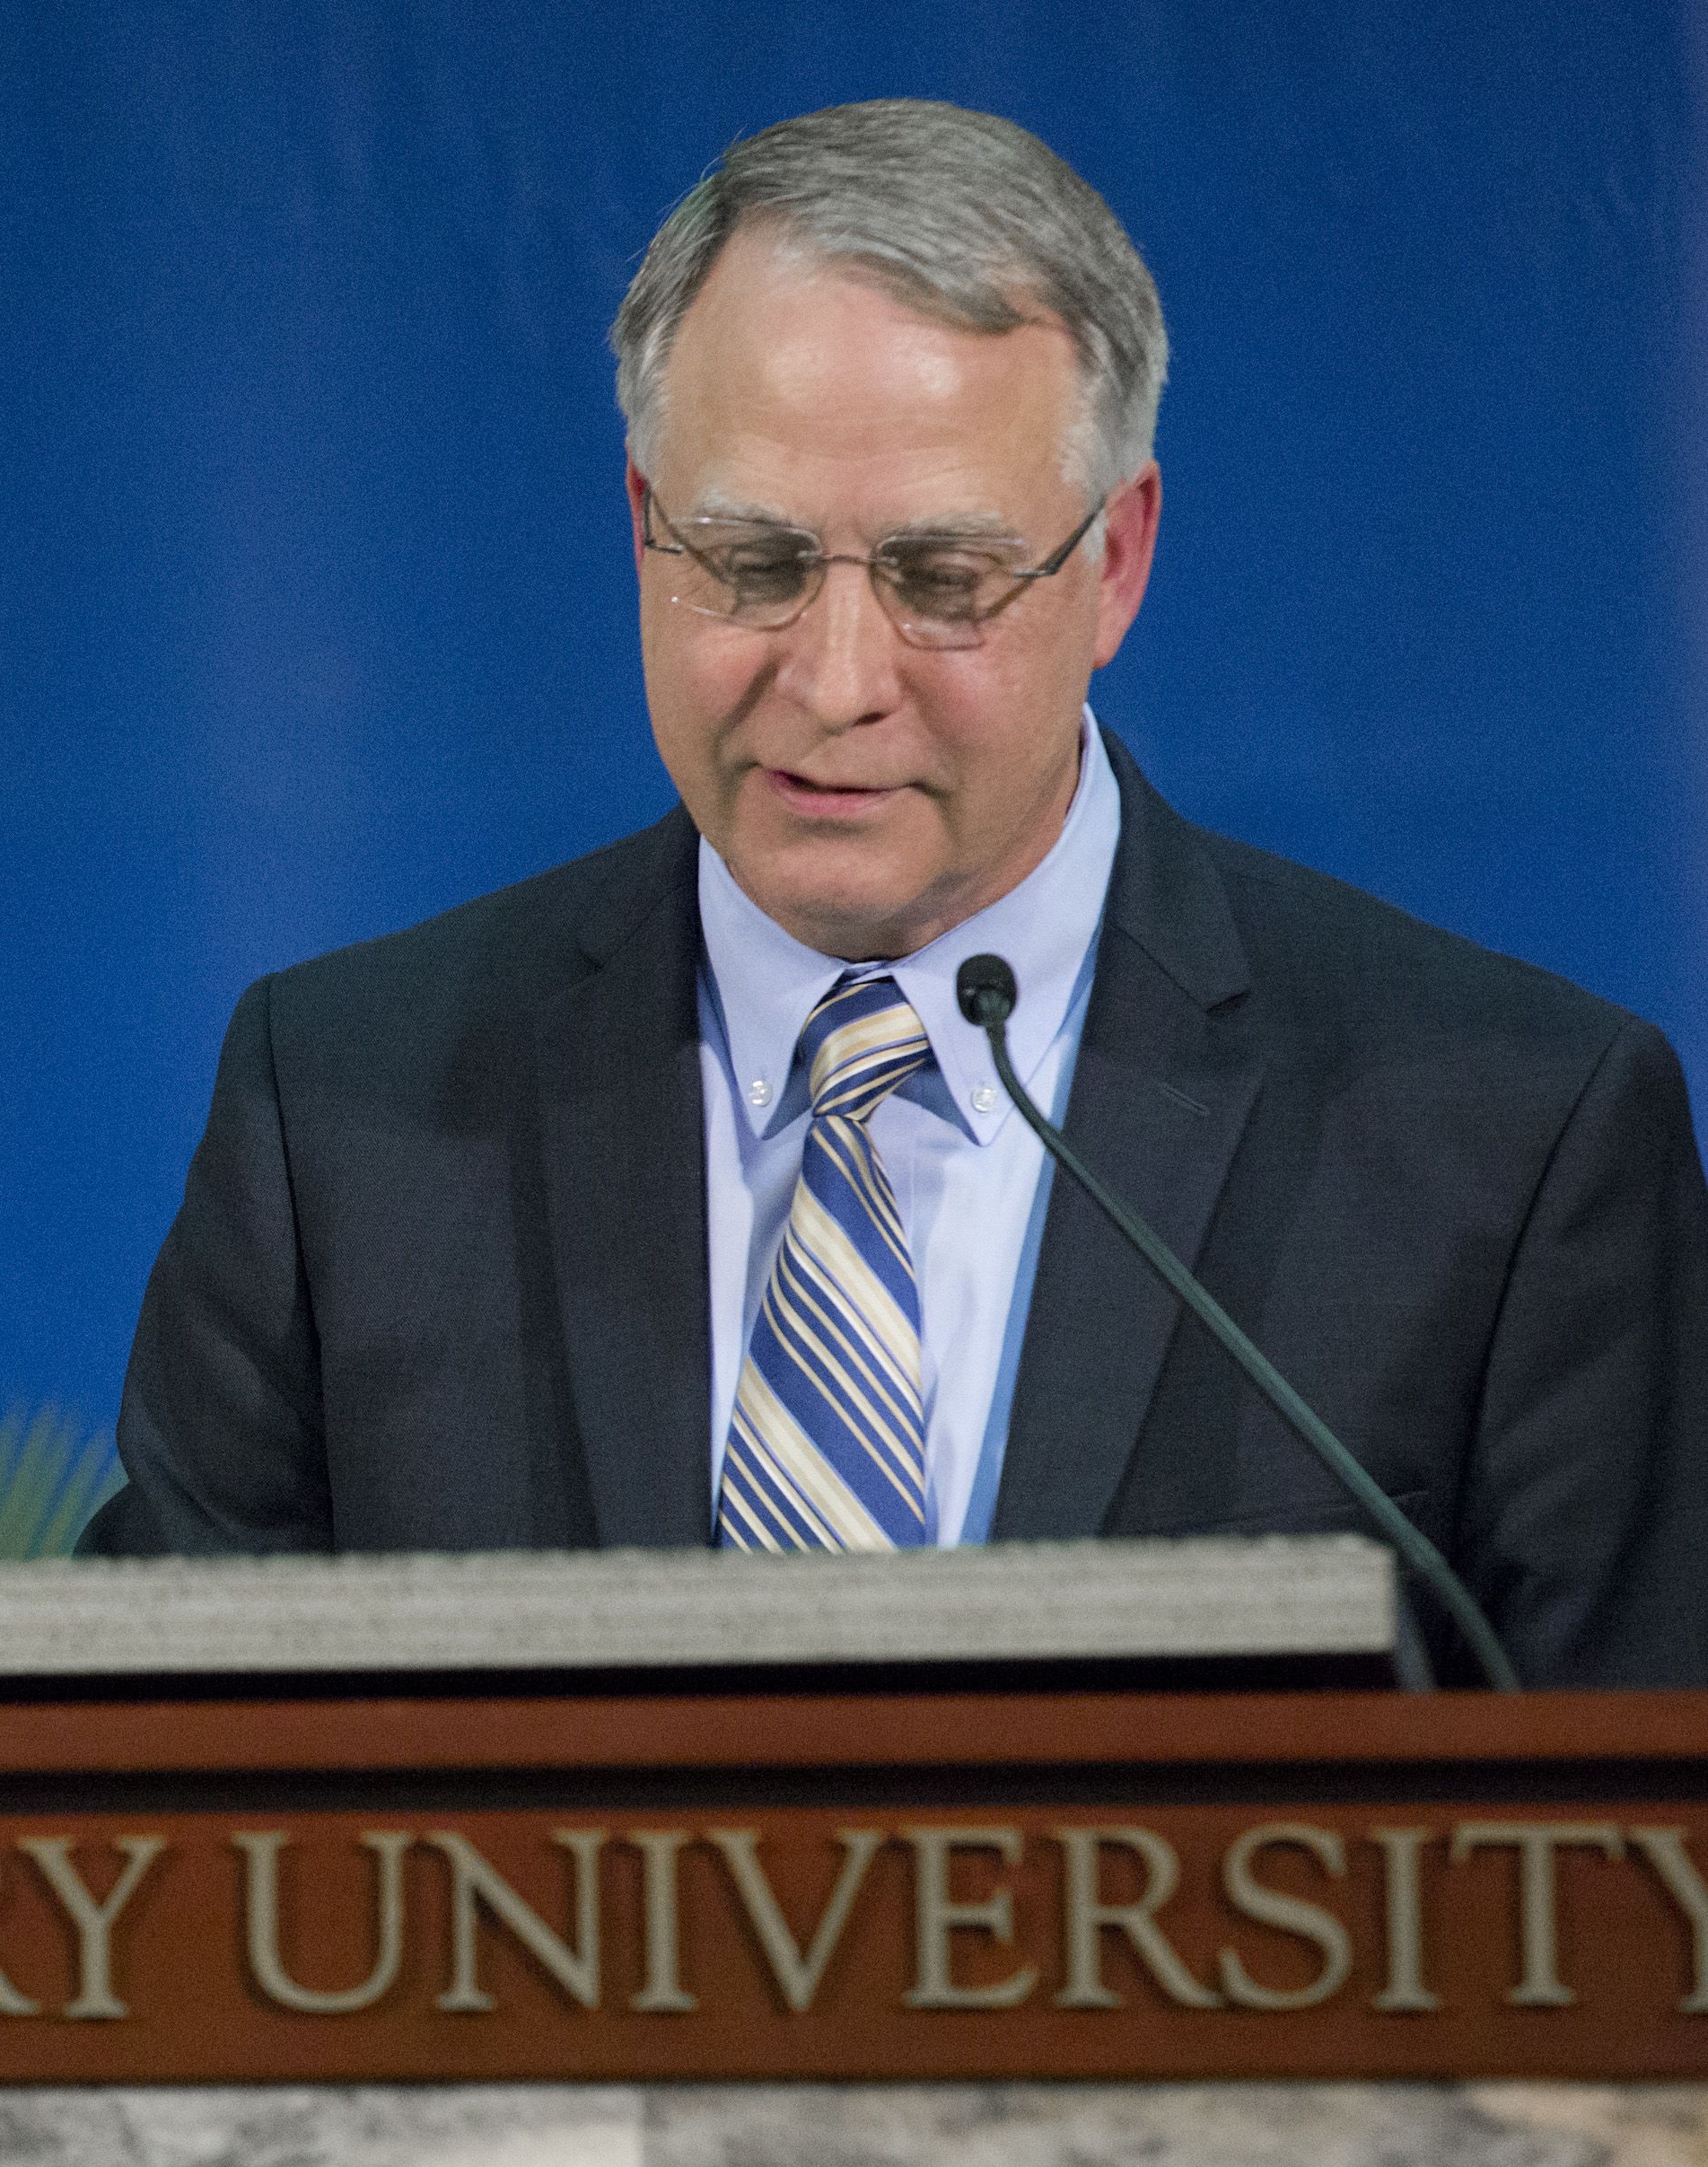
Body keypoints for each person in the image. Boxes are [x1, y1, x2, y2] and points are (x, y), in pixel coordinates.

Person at [83, 100, 1708, 1689]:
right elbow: (138, 1809)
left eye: (943, 580)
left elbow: (1635, 1878)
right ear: (645, 528)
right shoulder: (346, 1110)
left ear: (1116, 562)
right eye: (755, 561)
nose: (836, 680)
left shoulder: (1507, 1146)